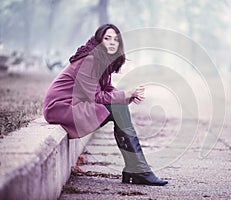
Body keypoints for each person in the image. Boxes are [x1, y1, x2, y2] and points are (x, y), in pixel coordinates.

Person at [43, 24, 168, 186]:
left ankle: (137, 168)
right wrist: (126, 95)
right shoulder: (90, 60)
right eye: (107, 38)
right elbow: (95, 97)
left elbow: (107, 89)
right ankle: (138, 169)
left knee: (119, 108)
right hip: (61, 108)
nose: (112, 42)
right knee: (117, 109)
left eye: (115, 39)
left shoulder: (102, 60)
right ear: (98, 41)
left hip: (73, 106)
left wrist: (128, 96)